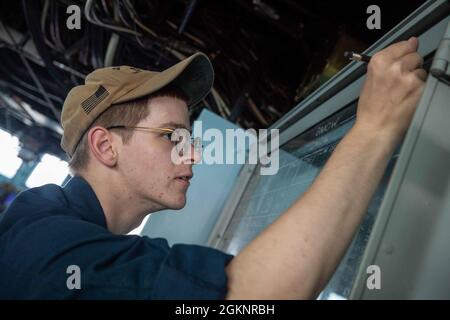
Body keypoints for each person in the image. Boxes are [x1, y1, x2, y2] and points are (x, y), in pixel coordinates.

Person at [0, 37, 426, 299]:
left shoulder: (47, 224)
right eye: (171, 136)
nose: (193, 155)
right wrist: (375, 128)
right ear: (106, 146)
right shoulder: (50, 251)